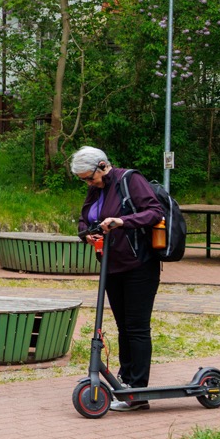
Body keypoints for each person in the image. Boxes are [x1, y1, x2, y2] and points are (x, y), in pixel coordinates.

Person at [72, 146, 164, 411]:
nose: (89, 183)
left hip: (139, 265)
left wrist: (122, 221)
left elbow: (154, 212)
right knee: (123, 326)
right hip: (111, 265)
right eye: (85, 181)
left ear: (103, 165)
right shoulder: (95, 189)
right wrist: (85, 234)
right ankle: (125, 384)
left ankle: (138, 391)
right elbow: (84, 219)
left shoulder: (130, 180)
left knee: (136, 328)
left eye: (90, 178)